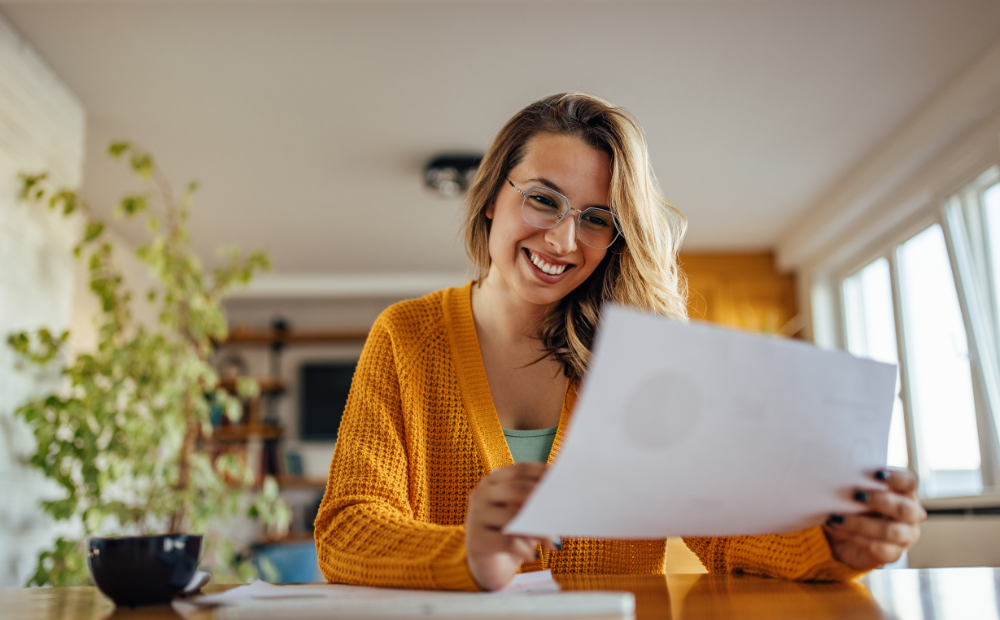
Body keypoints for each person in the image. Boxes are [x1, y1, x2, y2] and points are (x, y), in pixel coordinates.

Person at [313, 93, 926, 591]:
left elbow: (721, 528)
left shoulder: (639, 360)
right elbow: (346, 531)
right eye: (543, 200)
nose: (563, 240)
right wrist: (467, 553)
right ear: (492, 196)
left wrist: (834, 539)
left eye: (597, 218)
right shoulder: (407, 337)